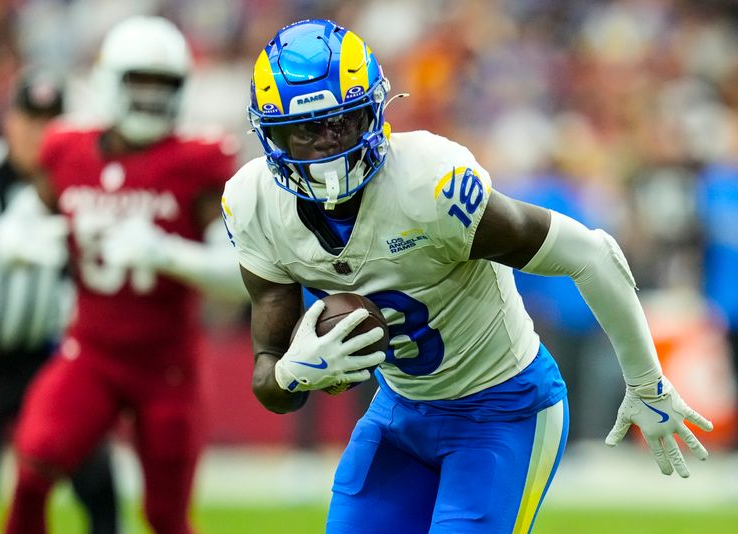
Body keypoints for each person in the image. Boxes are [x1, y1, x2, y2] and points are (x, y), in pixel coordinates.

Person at [221, 19, 714, 533]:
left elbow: (591, 253)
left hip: (505, 408)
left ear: (372, 113)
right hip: (401, 413)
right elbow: (271, 381)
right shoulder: (254, 203)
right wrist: (294, 373)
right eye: (307, 128)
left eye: (340, 123)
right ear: (271, 134)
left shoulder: (430, 185)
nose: (328, 146)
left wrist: (647, 384)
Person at [0, 16, 241, 534]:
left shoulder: (196, 161)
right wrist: (19, 236)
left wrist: (166, 253)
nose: (151, 98)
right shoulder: (69, 149)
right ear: (111, 81)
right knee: (34, 463)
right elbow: (22, 215)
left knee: (165, 516)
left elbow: (242, 274)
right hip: (92, 351)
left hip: (168, 363)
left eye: (163, 85)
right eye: (140, 82)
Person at [0, 69, 118, 534]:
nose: (41, 132)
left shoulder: (77, 181)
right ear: (9, 121)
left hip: (47, 358)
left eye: (51, 120)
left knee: (98, 482)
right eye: (31, 118)